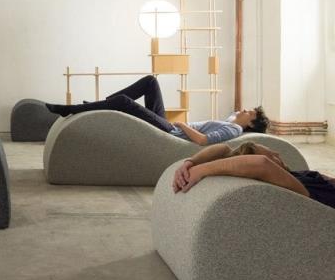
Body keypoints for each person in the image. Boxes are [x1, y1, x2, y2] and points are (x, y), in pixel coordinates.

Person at [46, 75, 269, 145]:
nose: (244, 110)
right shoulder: (231, 123)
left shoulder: (233, 130)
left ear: (251, 123)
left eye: (249, 112)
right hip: (172, 128)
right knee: (150, 82)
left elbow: (203, 141)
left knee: (124, 101)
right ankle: (103, 104)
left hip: (171, 132)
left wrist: (181, 124)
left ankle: (71, 109)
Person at [172, 141, 335, 209]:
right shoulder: (295, 188)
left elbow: (224, 148)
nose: (278, 154)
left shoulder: (294, 176)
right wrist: (201, 170)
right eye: (273, 156)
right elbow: (261, 164)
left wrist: (190, 162)